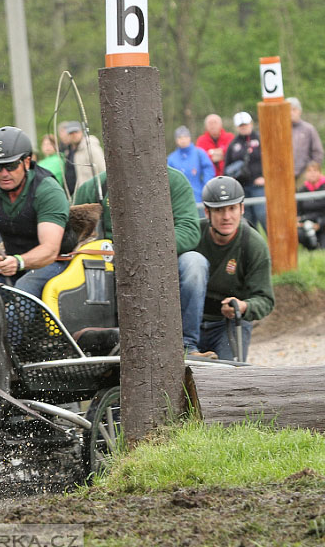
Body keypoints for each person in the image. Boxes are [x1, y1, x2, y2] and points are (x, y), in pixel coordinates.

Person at [73, 167, 211, 358]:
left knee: (195, 263)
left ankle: (187, 346)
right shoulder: (92, 188)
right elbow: (75, 237)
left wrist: (146, 250)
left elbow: (189, 230)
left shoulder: (174, 181)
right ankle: (90, 348)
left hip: (163, 260)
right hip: (109, 265)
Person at [0, 126, 70, 298]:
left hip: (54, 263)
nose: (4, 173)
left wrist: (19, 261)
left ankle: (12, 325)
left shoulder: (48, 190)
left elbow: (50, 250)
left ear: (26, 162)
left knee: (23, 290)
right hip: (10, 263)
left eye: (10, 166)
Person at [194, 176, 275, 361]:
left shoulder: (253, 244)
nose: (226, 217)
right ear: (207, 212)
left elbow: (266, 299)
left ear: (242, 209)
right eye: (219, 210)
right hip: (189, 322)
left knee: (228, 375)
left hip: (228, 323)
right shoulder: (193, 235)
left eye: (232, 208)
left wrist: (243, 306)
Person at [224, 112, 265, 231]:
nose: (244, 127)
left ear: (251, 124)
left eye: (246, 124)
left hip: (258, 186)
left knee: (263, 215)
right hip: (242, 188)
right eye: (241, 125)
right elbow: (227, 167)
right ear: (237, 127)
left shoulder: (260, 140)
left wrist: (265, 177)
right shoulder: (233, 144)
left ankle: (274, 247)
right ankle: (254, 247)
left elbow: (271, 160)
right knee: (247, 220)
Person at [168, 125, 216, 204]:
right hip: (179, 200)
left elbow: (209, 171)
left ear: (189, 138)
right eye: (180, 138)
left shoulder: (199, 153)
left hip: (199, 198)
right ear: (176, 140)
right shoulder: (171, 159)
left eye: (185, 137)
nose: (183, 140)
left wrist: (205, 190)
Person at [296, 161, 325, 250]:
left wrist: (319, 224)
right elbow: (298, 212)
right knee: (299, 234)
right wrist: (299, 221)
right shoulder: (302, 191)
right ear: (305, 174)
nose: (312, 174)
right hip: (308, 224)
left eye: (315, 171)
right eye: (309, 171)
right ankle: (310, 245)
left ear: (320, 173)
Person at [286, 97, 324, 187]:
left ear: (299, 111)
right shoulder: (280, 130)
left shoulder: (308, 129)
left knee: (305, 199)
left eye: (293, 110)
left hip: (304, 174)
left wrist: (313, 172)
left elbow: (318, 152)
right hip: (284, 175)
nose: (291, 112)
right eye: (288, 110)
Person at [60, 121, 106, 195]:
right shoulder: (69, 152)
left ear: (81, 132)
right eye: (71, 133)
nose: (74, 135)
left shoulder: (91, 147)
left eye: (76, 132)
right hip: (76, 194)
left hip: (92, 193)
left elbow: (103, 169)